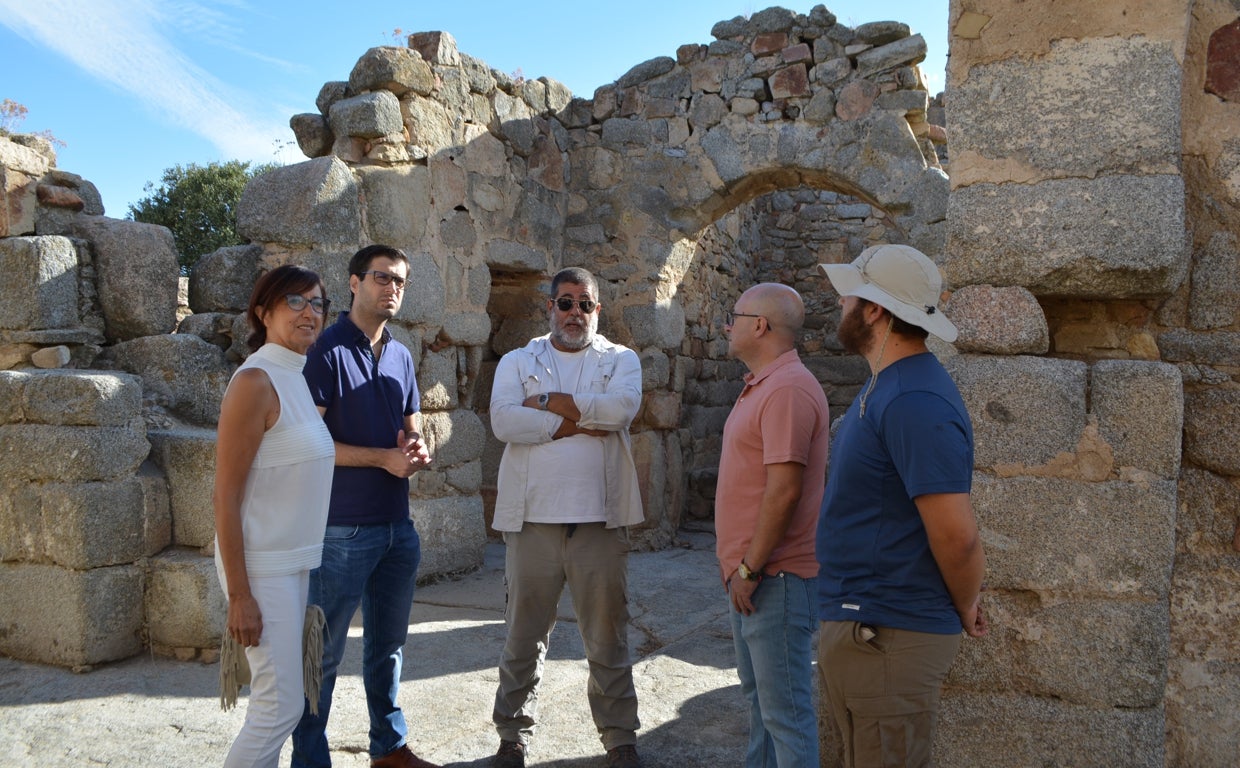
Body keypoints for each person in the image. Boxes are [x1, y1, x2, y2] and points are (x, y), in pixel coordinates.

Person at [815, 244, 988, 768]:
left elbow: (956, 535)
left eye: (851, 294)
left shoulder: (916, 401)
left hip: (888, 637)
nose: (841, 301)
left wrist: (964, 603)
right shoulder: (887, 387)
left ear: (874, 310)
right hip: (868, 631)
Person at [488, 267, 645, 768]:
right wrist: (576, 422)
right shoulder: (517, 359)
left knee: (607, 636)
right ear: (549, 307)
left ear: (597, 310)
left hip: (600, 520)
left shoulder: (622, 359)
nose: (574, 313)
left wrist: (546, 405)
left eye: (585, 304)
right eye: (565, 302)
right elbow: (503, 420)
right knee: (521, 637)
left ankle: (620, 738)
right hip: (533, 520)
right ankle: (512, 737)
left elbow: (619, 412)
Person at [292, 245, 437, 768]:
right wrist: (382, 459)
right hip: (340, 531)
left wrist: (418, 449)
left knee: (389, 649)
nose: (392, 288)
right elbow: (308, 443)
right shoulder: (324, 351)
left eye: (400, 281)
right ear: (354, 283)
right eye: (382, 278)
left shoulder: (400, 353)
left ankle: (389, 749)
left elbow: (411, 427)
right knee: (321, 658)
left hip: (397, 527)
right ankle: (309, 760)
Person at [214, 264, 336, 768]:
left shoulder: (296, 375)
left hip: (292, 562)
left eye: (317, 303)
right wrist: (240, 594)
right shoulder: (256, 382)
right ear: (263, 312)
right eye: (295, 301)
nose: (310, 312)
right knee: (278, 707)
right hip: (261, 567)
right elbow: (225, 494)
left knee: (280, 702)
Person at [716, 283, 830, 768]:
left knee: (785, 716)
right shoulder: (766, 384)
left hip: (773, 578)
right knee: (762, 707)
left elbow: (784, 491)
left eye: (734, 315)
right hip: (758, 578)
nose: (727, 324)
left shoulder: (786, 389)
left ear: (759, 325)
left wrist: (749, 569)